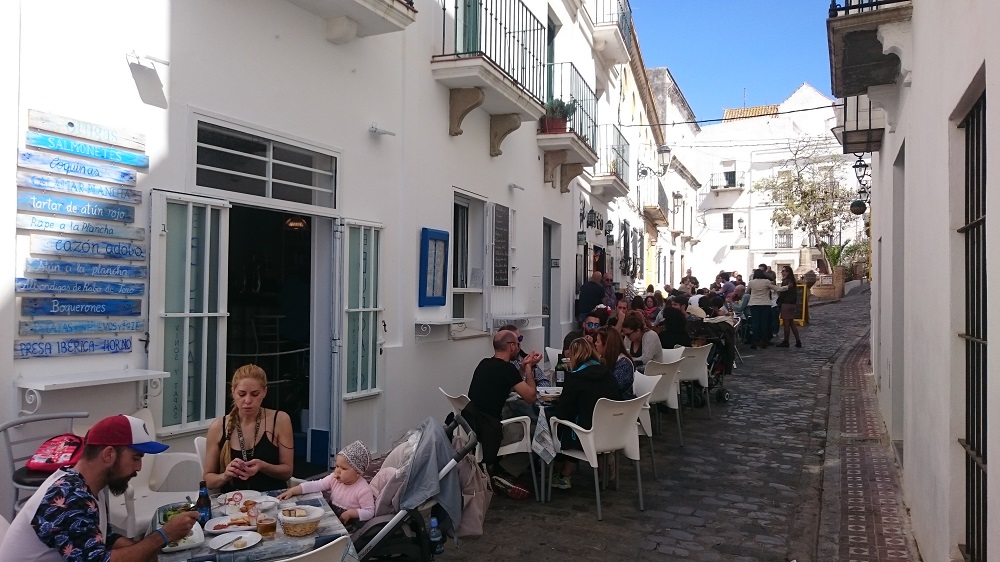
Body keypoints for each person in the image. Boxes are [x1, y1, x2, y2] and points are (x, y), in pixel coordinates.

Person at [1, 414, 200, 560]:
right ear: (108, 455)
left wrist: (146, 551)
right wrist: (163, 536)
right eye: (135, 458)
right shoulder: (67, 496)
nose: (139, 468)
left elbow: (104, 538)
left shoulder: (89, 486)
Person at [204, 364, 294, 492]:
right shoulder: (218, 427)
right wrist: (225, 475)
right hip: (233, 503)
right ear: (233, 392)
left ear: (265, 392)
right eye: (241, 394)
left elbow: (287, 472)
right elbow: (208, 480)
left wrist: (263, 466)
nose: (247, 400)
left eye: (255, 394)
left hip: (271, 499)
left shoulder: (279, 420)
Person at [549, 338, 622, 490]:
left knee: (561, 424)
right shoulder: (608, 374)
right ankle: (602, 460)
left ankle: (562, 473)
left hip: (584, 435)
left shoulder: (575, 378)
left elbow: (563, 412)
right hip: (613, 431)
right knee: (579, 419)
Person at [466, 331, 540, 471]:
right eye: (518, 344)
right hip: (488, 429)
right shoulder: (507, 369)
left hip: (473, 425)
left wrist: (522, 368)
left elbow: (509, 383)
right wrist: (530, 368)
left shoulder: (484, 363)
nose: (519, 348)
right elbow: (531, 397)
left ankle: (498, 468)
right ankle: (504, 471)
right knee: (537, 431)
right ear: (511, 346)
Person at [279, 440, 375, 525]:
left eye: (344, 468)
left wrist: (350, 513)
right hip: (333, 514)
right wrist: (293, 491)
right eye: (337, 466)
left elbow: (369, 512)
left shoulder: (363, 490)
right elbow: (316, 485)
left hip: (350, 522)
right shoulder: (334, 479)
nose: (338, 471)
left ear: (357, 473)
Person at [746, 269, 786, 349]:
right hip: (765, 304)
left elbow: (747, 292)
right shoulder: (766, 282)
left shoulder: (751, 282)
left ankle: (755, 341)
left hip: (754, 304)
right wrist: (787, 287)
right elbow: (777, 288)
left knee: (755, 323)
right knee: (764, 323)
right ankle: (764, 341)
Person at [595, 327, 635, 399]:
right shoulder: (604, 360)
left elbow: (612, 388)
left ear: (607, 344)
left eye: (597, 341)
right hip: (606, 402)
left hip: (621, 404)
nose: (595, 344)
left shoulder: (624, 364)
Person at [776, 266, 803, 348]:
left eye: (783, 271)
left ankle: (786, 341)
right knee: (792, 323)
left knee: (786, 323)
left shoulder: (786, 281)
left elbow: (782, 293)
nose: (782, 272)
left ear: (788, 272)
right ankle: (798, 340)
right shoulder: (792, 281)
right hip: (792, 304)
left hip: (786, 304)